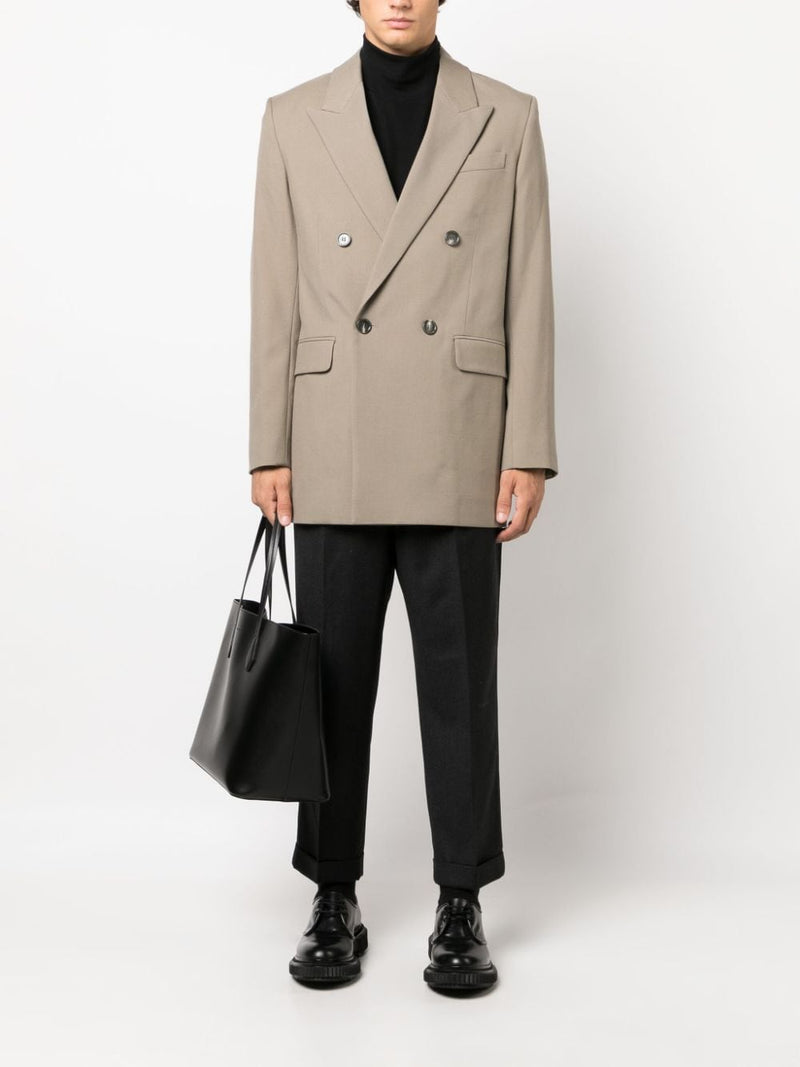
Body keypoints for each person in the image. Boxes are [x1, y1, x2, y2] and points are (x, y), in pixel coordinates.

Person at [249, 0, 557, 991]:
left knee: (460, 688)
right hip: (333, 435)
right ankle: (331, 891)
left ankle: (460, 898)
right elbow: (274, 292)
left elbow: (527, 287)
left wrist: (528, 445)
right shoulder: (292, 117)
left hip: (458, 437)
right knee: (331, 683)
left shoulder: (505, 116)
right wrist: (268, 443)